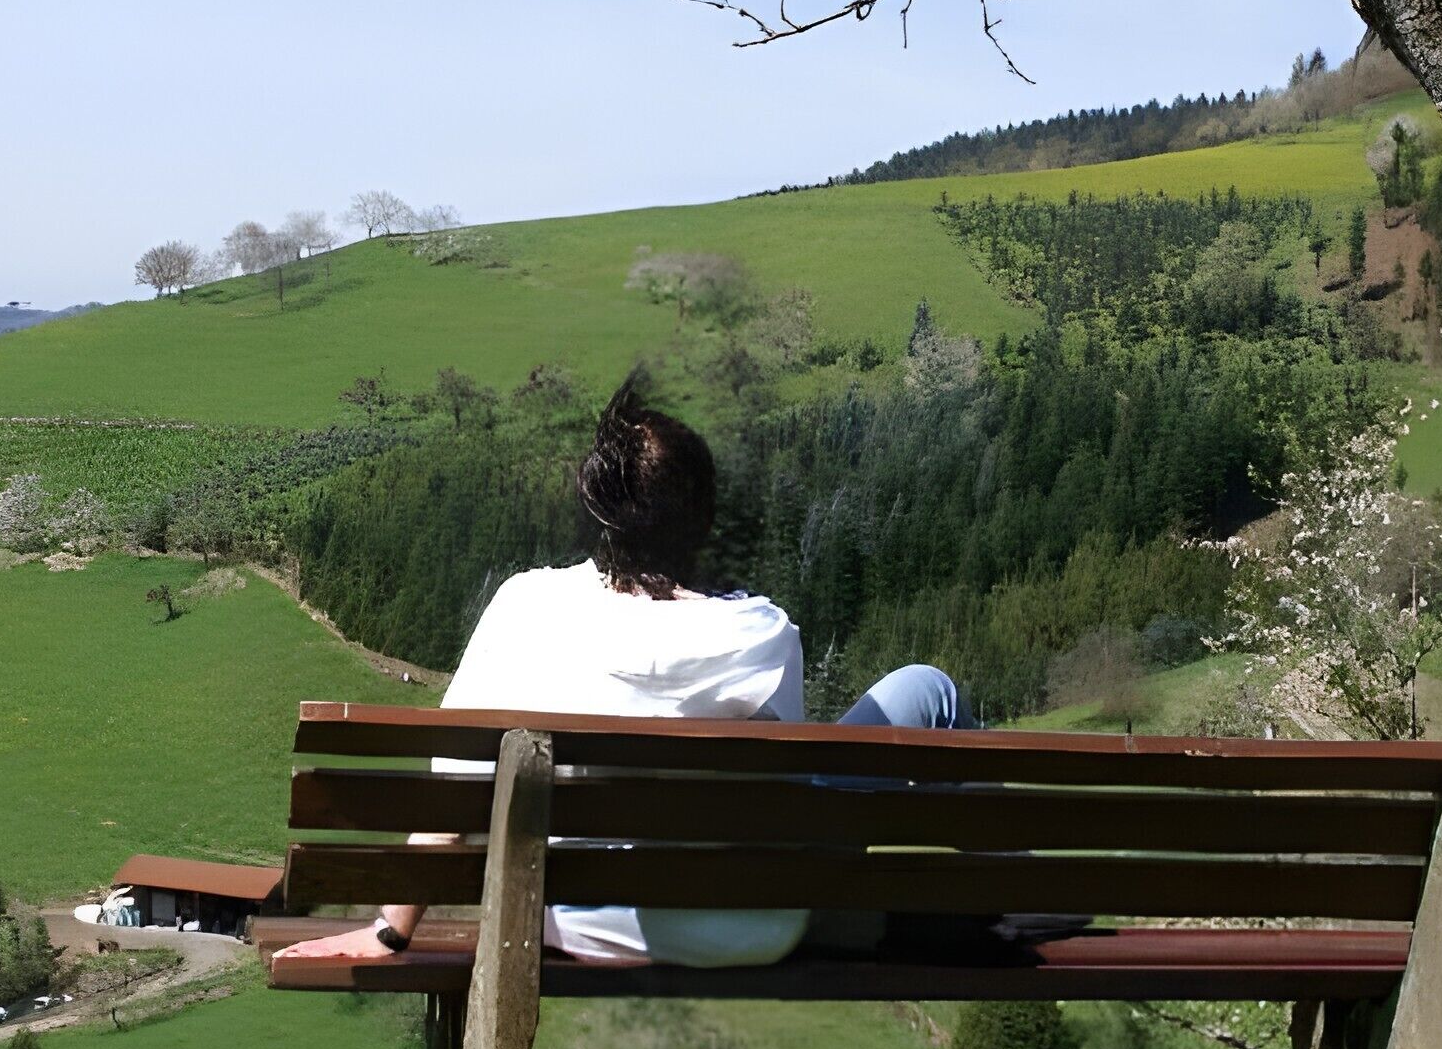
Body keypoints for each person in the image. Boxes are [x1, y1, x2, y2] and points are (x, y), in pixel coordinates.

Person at [271, 374, 970, 972]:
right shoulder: (762, 633)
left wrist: (392, 930)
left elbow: (452, 797)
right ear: (702, 517)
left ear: (601, 513)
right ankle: (1010, 896)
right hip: (750, 928)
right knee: (924, 691)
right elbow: (783, 799)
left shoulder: (526, 606)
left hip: (568, 920)